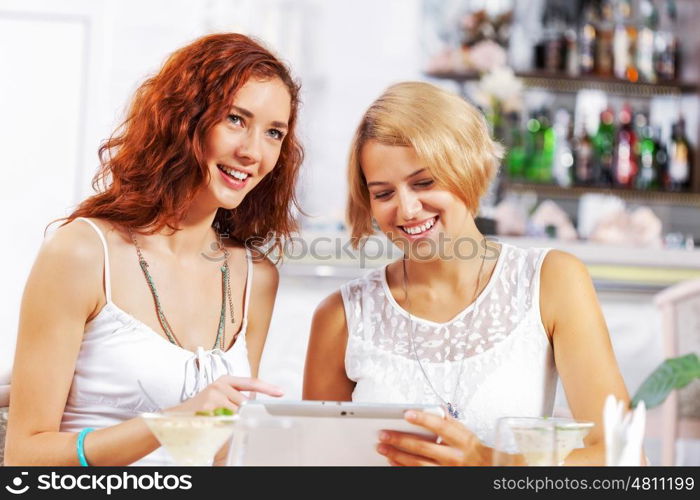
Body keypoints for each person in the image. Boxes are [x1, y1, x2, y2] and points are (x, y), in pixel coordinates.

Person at [5, 33, 304, 466]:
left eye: (274, 133)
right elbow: (25, 456)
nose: (252, 152)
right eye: (236, 120)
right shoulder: (83, 254)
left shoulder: (255, 277)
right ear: (183, 118)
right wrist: (169, 422)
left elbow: (222, 453)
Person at [303, 81, 629, 466]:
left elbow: (623, 456)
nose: (406, 210)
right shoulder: (340, 318)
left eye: (424, 182)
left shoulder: (551, 282)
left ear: (467, 169)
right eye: (383, 193)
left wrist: (489, 462)